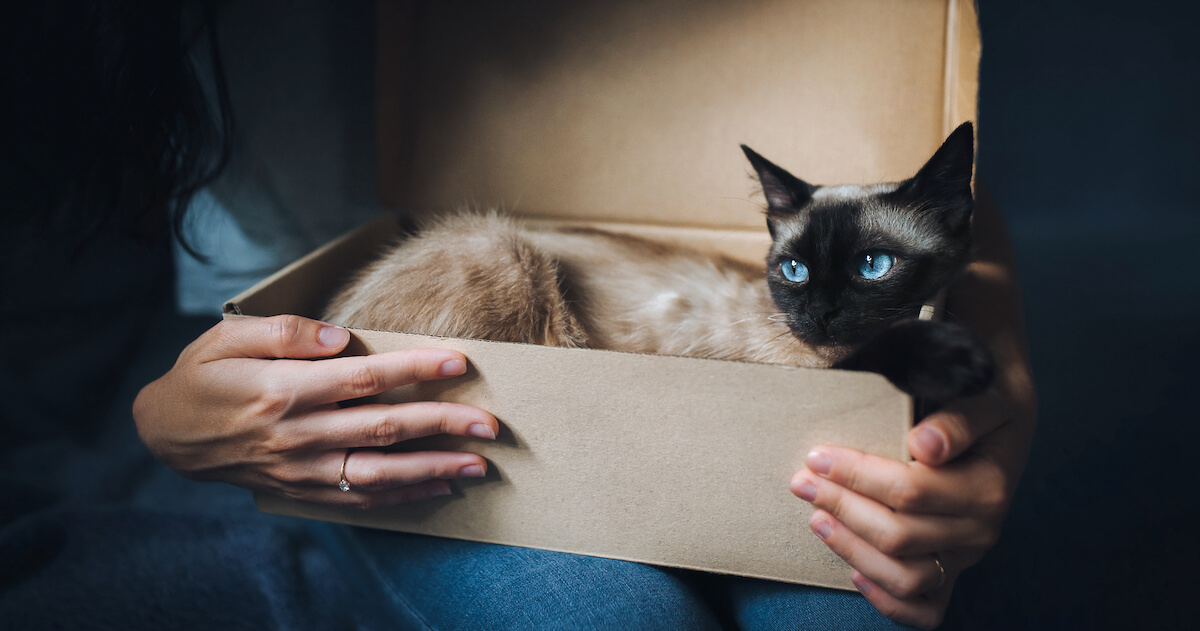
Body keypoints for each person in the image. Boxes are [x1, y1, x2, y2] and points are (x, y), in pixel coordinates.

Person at [6, 2, 1036, 629]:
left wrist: (1000, 361)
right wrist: (169, 412)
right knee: (619, 621)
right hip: (456, 434)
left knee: (847, 618)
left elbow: (919, 172)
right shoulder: (229, 50)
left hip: (668, 393)